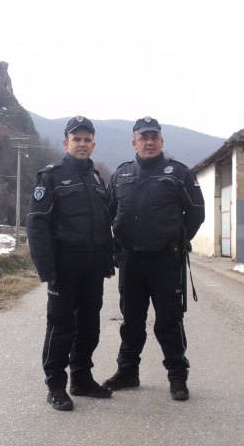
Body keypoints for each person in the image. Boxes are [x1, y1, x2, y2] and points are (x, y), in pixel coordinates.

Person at [104, 116, 205, 400]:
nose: (149, 142)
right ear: (134, 142)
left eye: (154, 137)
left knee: (169, 321)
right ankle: (128, 372)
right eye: (143, 137)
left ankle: (177, 377)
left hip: (165, 261)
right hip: (131, 262)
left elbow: (196, 213)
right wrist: (113, 246)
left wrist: (178, 242)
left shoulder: (178, 173)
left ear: (161, 141)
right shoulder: (121, 174)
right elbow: (108, 213)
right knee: (131, 321)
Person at [27, 115, 115, 411]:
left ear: (93, 144)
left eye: (86, 139)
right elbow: (37, 224)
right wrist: (46, 268)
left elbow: (104, 223)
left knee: (89, 326)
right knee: (61, 326)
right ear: (66, 143)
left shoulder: (96, 178)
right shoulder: (51, 177)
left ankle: (81, 379)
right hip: (64, 265)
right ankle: (55, 387)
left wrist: (107, 262)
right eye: (76, 139)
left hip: (92, 264)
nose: (81, 143)